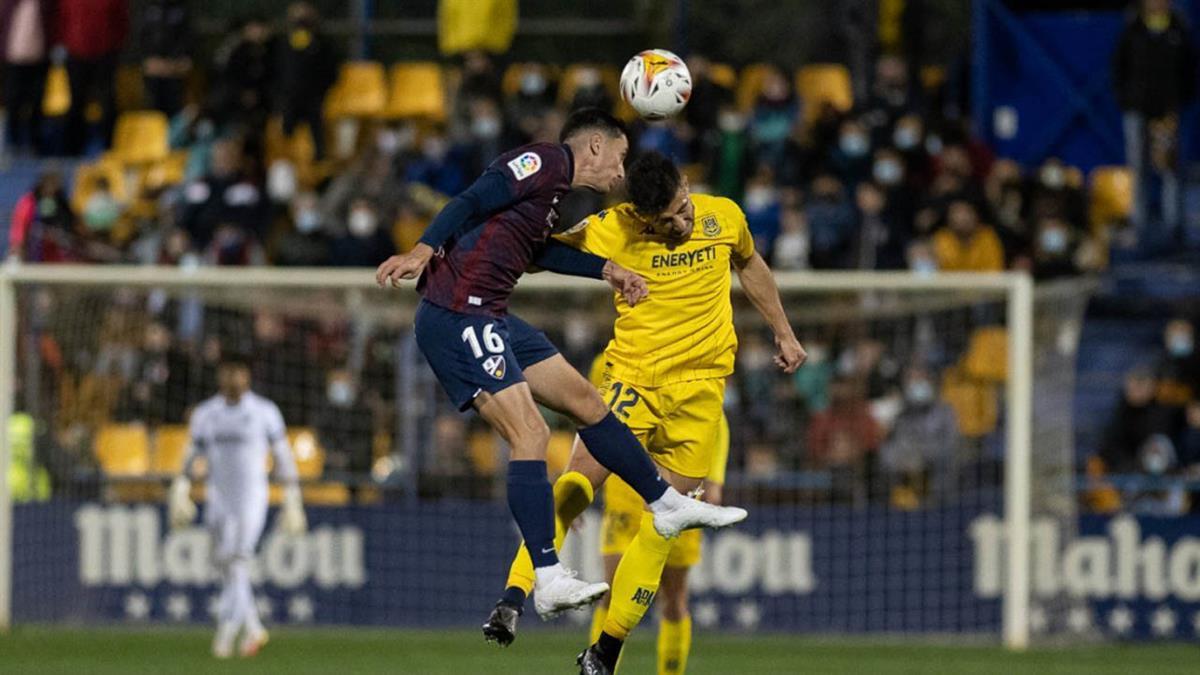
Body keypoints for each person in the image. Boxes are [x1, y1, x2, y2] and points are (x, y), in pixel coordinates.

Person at [375, 109, 749, 623]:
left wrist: (608, 269)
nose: (621, 172)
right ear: (594, 146)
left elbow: (541, 254)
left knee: (588, 403)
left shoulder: (553, 196)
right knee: (530, 434)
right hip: (458, 313)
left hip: (492, 315)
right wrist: (423, 249)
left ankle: (666, 504)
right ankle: (547, 578)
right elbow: (470, 199)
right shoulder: (544, 162)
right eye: (619, 157)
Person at [481, 151, 806, 673]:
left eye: (682, 209)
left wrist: (783, 332)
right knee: (576, 485)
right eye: (665, 221)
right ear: (639, 215)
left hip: (700, 395)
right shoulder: (612, 228)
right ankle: (513, 597)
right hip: (633, 383)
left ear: (687, 184)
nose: (680, 224)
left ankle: (605, 651)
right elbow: (539, 253)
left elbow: (749, 263)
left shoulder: (725, 216)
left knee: (667, 521)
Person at [167, 352, 307, 659]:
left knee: (238, 559)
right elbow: (191, 454)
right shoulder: (206, 413)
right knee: (226, 564)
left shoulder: (264, 412)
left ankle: (233, 631)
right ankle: (248, 628)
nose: (233, 378)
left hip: (252, 499)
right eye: (228, 372)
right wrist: (181, 486)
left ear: (247, 376)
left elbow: (283, 456)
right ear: (220, 376)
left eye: (238, 372)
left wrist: (292, 498)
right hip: (218, 498)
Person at [1112, 0, 1196, 247]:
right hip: (1137, 110)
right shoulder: (1133, 28)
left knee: (1170, 167)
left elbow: (1189, 69)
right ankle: (1139, 227)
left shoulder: (1178, 28)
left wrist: (1179, 100)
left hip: (1167, 112)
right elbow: (1119, 66)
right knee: (1138, 167)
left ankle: (1174, 229)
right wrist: (1127, 100)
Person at [59, 0, 128, 153]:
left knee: (108, 103)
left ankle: (111, 148)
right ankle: (72, 149)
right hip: (76, 54)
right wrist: (68, 43)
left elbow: (121, 21)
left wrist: (114, 46)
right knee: (76, 102)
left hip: (105, 54)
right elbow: (62, 20)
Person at [275, 2, 338, 160]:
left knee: (317, 123)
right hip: (290, 98)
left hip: (315, 98)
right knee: (286, 125)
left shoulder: (322, 44)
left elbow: (331, 72)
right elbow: (278, 72)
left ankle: (319, 159)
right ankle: (285, 158)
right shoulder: (284, 44)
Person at [1, 0, 55, 157]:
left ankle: (35, 144)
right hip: (14, 59)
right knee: (13, 101)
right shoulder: (9, 3)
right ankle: (12, 143)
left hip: (40, 58)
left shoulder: (45, 4)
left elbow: (53, 25)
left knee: (37, 101)